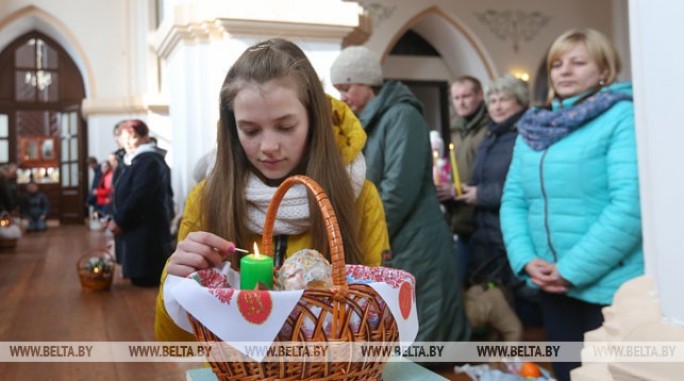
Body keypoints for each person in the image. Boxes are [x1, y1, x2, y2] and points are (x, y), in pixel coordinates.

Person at [155, 38, 390, 341]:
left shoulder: (359, 197)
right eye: (250, 131)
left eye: (286, 126)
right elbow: (175, 342)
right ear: (232, 128)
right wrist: (176, 284)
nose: (268, 147)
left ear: (313, 120)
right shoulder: (207, 198)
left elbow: (378, 325)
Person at [500, 28, 642, 381]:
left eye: (578, 62)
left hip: (609, 286)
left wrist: (570, 269)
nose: (564, 71)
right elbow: (514, 201)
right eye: (557, 64)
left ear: (604, 70)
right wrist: (527, 259)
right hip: (549, 282)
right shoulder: (533, 127)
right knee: (568, 373)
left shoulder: (621, 117)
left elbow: (629, 205)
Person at [330, 45, 470, 343]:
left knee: (425, 337)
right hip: (398, 239)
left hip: (418, 241)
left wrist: (368, 232)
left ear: (368, 82)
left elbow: (399, 189)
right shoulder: (370, 121)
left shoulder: (402, 116)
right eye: (338, 89)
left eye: (347, 87)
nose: (342, 96)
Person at [460, 75, 531, 342]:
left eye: (504, 99)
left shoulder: (523, 134)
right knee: (492, 297)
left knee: (514, 302)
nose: (497, 106)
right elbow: (484, 176)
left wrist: (481, 194)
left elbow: (523, 185)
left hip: (508, 231)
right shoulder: (492, 134)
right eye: (492, 100)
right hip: (484, 229)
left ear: (520, 102)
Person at [435, 76, 491, 283]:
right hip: (458, 216)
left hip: (482, 216)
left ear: (479, 95)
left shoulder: (490, 127)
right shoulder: (455, 130)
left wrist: (460, 189)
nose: (461, 102)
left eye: (466, 96)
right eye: (456, 97)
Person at [108, 119, 173, 287]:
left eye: (133, 137)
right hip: (137, 228)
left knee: (146, 280)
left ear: (145, 137)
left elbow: (140, 197)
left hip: (146, 231)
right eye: (125, 138)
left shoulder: (148, 161)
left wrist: (120, 220)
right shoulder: (137, 160)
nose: (129, 142)